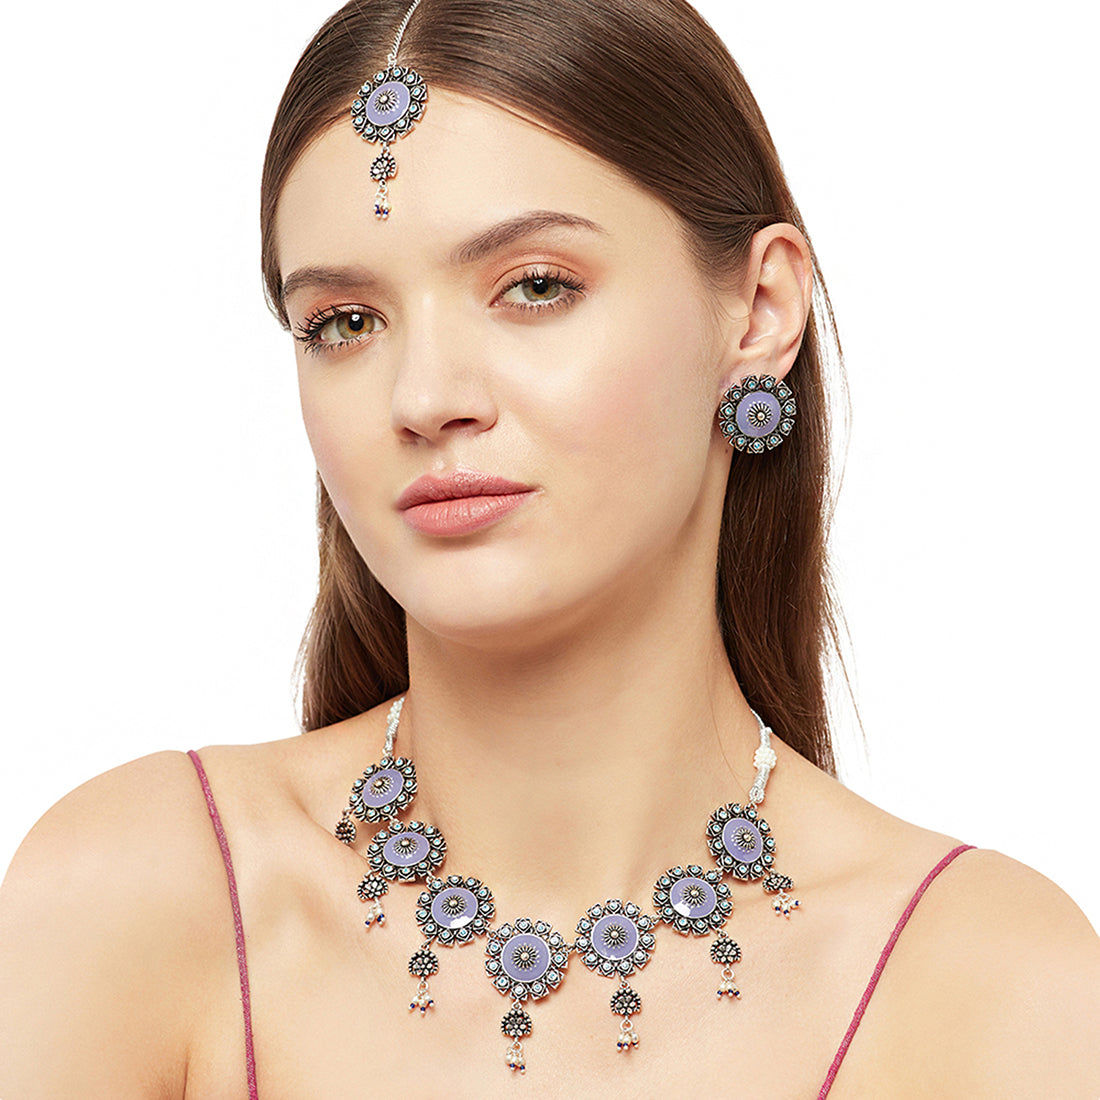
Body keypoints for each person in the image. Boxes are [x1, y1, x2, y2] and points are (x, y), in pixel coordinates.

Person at [1, 0, 1097, 1095]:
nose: (424, 397)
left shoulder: (988, 986)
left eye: (535, 287)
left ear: (759, 309)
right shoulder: (141, 897)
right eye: (345, 321)